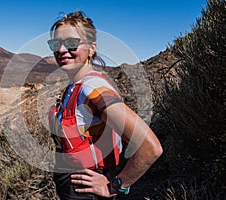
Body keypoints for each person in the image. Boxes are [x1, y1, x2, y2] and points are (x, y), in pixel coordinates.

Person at [47, 11, 163, 199]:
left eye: (71, 43)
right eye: (55, 44)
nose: (61, 50)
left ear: (92, 48)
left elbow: (150, 147)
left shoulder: (94, 89)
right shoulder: (75, 86)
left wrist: (115, 186)